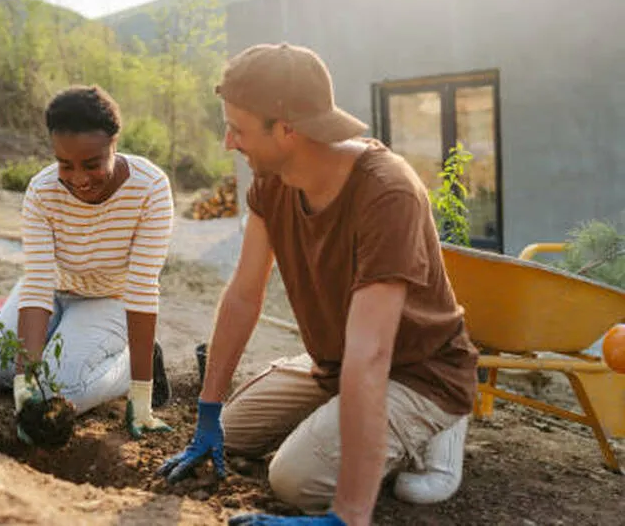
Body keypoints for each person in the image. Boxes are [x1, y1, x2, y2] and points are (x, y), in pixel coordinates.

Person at [158, 43, 479, 526]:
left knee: (294, 478)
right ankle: (348, 416)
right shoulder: (271, 183)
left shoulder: (387, 193)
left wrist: (347, 517)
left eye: (237, 130)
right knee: (232, 431)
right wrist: (207, 410)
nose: (229, 143)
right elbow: (245, 295)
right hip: (336, 361)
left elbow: (371, 353)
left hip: (419, 369)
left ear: (287, 129)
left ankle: (437, 430)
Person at [0, 84, 175, 442]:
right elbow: (37, 284)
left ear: (114, 143)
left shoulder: (151, 189)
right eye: (66, 164)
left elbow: (142, 290)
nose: (79, 178)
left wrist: (141, 396)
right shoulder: (41, 191)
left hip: (109, 301)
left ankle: (128, 366)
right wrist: (23, 381)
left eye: (92, 164)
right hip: (51, 291)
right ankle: (51, 357)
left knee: (58, 392)